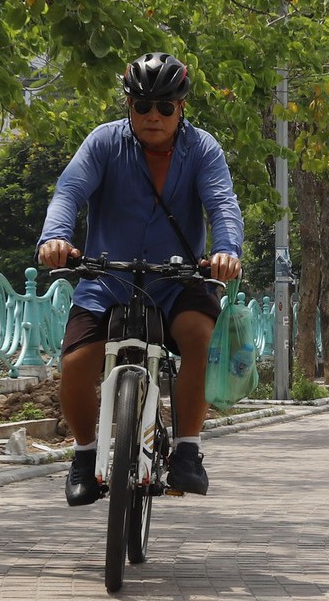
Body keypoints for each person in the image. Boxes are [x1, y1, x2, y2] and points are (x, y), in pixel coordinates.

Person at [37, 52, 243, 505]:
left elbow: (223, 204)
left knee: (199, 336)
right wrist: (55, 238)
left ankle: (188, 451)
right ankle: (84, 455)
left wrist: (227, 250)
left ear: (181, 108)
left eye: (165, 107)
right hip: (107, 279)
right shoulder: (103, 143)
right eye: (142, 106)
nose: (153, 116)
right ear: (128, 105)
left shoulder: (203, 149)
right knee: (75, 363)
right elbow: (69, 190)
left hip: (178, 280)